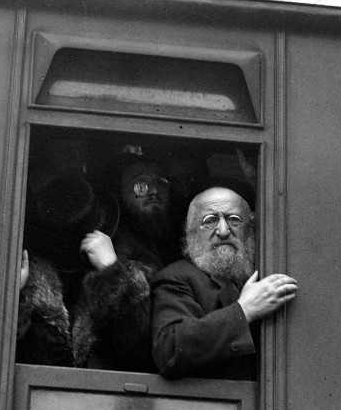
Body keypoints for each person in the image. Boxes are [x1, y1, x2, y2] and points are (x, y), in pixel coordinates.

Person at [151, 185, 297, 380]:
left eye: (234, 220)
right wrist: (244, 311)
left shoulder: (264, 272)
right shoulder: (177, 277)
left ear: (250, 231)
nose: (223, 230)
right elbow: (169, 352)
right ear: (190, 233)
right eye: (209, 221)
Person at [71, 150, 181, 371]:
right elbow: (135, 344)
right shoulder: (110, 248)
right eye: (140, 185)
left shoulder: (172, 249)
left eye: (160, 183)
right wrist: (112, 269)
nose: (153, 192)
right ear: (119, 195)